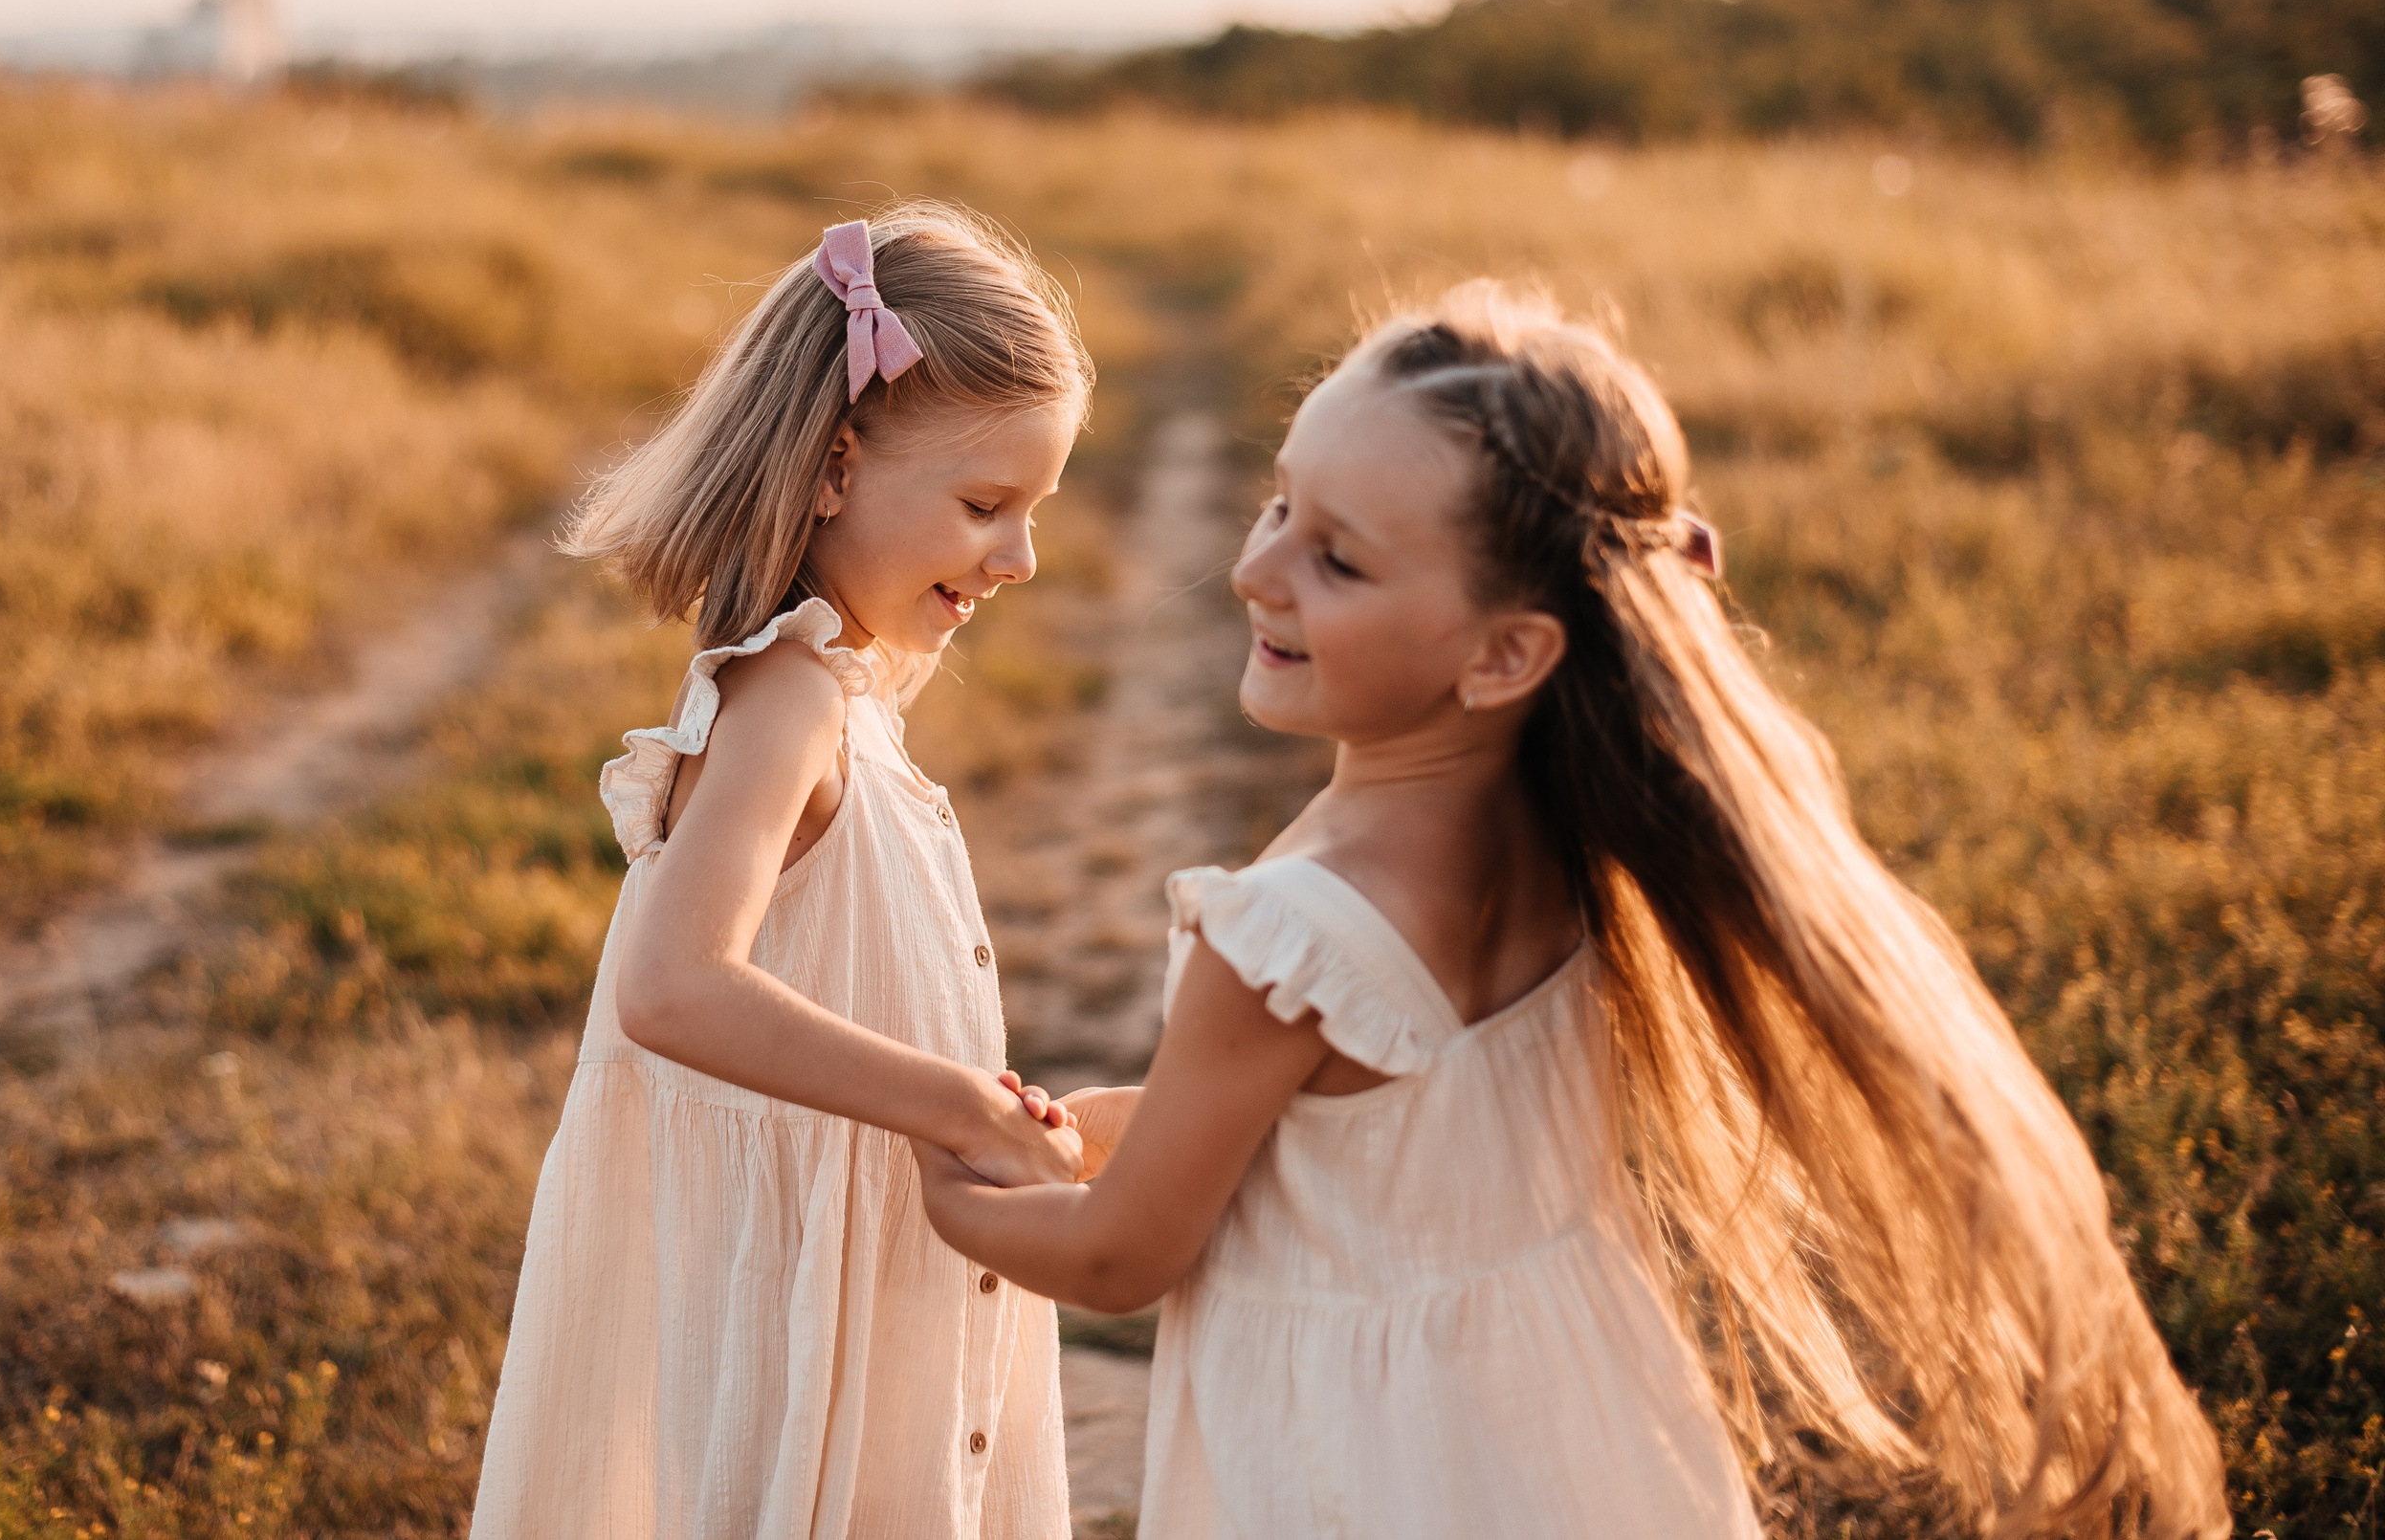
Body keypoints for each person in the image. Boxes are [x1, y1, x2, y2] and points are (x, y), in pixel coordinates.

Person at [916, 282, 2228, 1539]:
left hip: (1358, 1457)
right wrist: (1088, 1128)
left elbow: (1117, 1258)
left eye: (1339, 560)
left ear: (1505, 652)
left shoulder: (1282, 935)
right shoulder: (1584, 841)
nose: (1260, 570)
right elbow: (1354, 1142)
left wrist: (936, 1185)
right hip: (1561, 1413)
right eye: (1277, 504)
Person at [472, 205, 1091, 1540]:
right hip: (808, 1307)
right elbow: (677, 986)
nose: (1020, 556)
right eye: (987, 505)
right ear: (832, 467)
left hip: (861, 1277)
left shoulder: (840, 695)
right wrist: (958, 1108)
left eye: (1033, 511)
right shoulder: (789, 701)